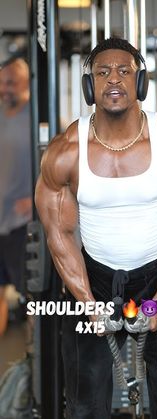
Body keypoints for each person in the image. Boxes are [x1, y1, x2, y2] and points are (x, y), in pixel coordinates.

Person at [35, 38, 157, 419]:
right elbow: (58, 236)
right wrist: (87, 303)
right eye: (102, 72)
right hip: (93, 277)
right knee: (83, 404)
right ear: (89, 86)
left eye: (124, 71)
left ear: (140, 82)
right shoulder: (66, 151)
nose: (113, 79)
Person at [0, 58, 32, 336]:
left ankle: (36, 366)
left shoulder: (40, 116)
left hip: (22, 223)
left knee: (30, 298)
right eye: (1, 82)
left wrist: (35, 201)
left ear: (26, 83)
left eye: (10, 82)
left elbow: (61, 168)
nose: (4, 88)